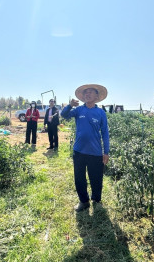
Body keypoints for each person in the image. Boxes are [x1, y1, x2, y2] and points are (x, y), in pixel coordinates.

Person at [61, 84, 109, 212]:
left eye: (90, 92)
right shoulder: (78, 110)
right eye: (85, 93)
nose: (87, 94)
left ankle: (96, 199)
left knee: (96, 178)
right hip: (79, 151)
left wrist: (106, 152)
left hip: (95, 152)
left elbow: (105, 133)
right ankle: (84, 201)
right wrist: (70, 105)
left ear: (97, 96)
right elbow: (64, 115)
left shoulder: (100, 113)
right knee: (79, 177)